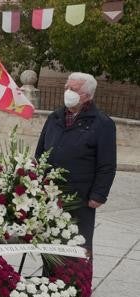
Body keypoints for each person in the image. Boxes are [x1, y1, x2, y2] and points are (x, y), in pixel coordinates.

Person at [36, 72, 116, 266]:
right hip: (51, 193)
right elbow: (40, 151)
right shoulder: (55, 117)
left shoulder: (102, 123)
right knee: (50, 240)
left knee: (78, 242)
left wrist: (98, 195)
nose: (67, 92)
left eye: (73, 89)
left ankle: (77, 285)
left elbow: (107, 164)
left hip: (81, 196)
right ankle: (50, 280)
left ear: (87, 95)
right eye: (66, 87)